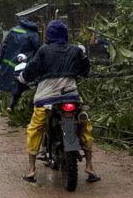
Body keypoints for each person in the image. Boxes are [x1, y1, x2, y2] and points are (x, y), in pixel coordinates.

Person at [19, 19, 99, 184]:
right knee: (84, 126)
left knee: (35, 129)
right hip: (71, 97)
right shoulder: (76, 50)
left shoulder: (43, 51)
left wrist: (21, 77)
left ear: (48, 35)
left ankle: (31, 170)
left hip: (46, 99)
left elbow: (29, 72)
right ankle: (90, 166)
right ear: (65, 34)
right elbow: (86, 70)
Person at [0, 18, 41, 112]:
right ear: (35, 23)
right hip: (25, 64)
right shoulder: (34, 34)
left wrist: (0, 61)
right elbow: (38, 50)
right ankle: (20, 106)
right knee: (24, 85)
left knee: (9, 82)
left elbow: (4, 46)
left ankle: (7, 103)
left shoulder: (13, 30)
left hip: (10, 63)